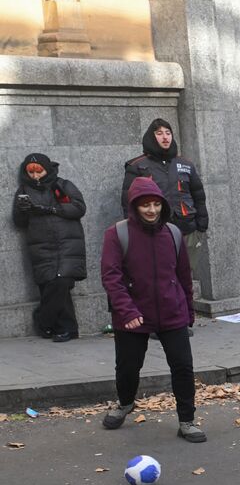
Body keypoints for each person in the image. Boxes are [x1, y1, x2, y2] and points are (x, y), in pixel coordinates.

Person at [99, 178, 203, 442]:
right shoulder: (117, 234)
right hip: (133, 315)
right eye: (145, 205)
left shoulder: (173, 233)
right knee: (127, 367)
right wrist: (127, 311)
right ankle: (125, 403)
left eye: (156, 204)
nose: (152, 210)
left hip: (172, 310)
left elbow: (183, 275)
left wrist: (188, 310)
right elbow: (111, 277)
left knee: (183, 366)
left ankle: (187, 420)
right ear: (135, 206)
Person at [13, 153, 86, 342]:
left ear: (47, 169)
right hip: (42, 246)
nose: (35, 176)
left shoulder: (62, 185)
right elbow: (19, 221)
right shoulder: (24, 190)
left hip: (66, 244)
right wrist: (23, 210)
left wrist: (52, 210)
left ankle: (43, 320)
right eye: (31, 172)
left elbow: (79, 208)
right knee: (49, 286)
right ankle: (66, 329)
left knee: (61, 282)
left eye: (39, 171)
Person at [122, 118, 207, 238]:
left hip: (187, 232)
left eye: (168, 133)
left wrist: (202, 226)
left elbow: (198, 196)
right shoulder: (136, 166)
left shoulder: (186, 164)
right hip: (153, 233)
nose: (165, 137)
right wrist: (134, 231)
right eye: (159, 133)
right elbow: (128, 202)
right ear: (151, 137)